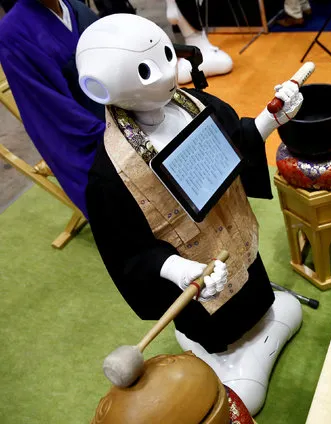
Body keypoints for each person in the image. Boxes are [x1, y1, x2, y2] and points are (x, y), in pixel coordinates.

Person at [75, 13, 304, 416]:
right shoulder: (111, 175)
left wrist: (272, 119)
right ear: (101, 86)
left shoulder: (194, 104)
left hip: (232, 233)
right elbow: (129, 252)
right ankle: (221, 352)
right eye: (147, 70)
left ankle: (263, 320)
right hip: (197, 272)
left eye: (166, 56)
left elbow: (235, 144)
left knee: (254, 289)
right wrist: (180, 270)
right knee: (217, 324)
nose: (166, 75)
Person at [0, 0, 105, 218]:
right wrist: (121, 137)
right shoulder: (12, 33)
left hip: (125, 116)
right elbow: (52, 113)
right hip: (91, 140)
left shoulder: (76, 8)